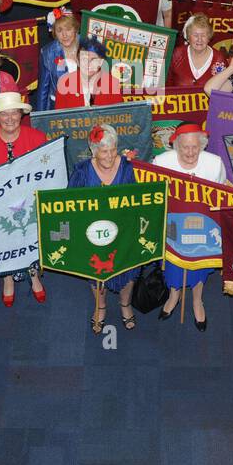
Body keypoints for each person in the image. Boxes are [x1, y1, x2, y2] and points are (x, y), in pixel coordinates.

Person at [0, 93, 49, 305]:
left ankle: (34, 275)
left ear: (21, 114)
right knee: (3, 236)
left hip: (30, 202)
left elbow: (47, 173)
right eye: (4, 114)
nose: (10, 118)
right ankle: (7, 278)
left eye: (14, 112)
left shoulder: (38, 138)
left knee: (31, 236)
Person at [70, 126, 143, 332]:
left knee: (129, 270)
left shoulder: (128, 168)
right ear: (94, 151)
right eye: (104, 151)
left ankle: (125, 305)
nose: (110, 155)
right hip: (94, 233)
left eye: (113, 150)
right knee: (95, 271)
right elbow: (70, 203)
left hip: (124, 231)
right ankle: (100, 307)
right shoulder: (82, 170)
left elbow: (139, 199)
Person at [155, 124, 227, 330]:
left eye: (195, 147)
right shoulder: (161, 162)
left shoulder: (214, 163)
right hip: (173, 223)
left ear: (202, 145)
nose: (190, 152)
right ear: (176, 145)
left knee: (199, 261)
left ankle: (197, 299)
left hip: (203, 224)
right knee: (173, 264)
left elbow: (221, 193)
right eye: (185, 147)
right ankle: (174, 295)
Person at [56, 36, 123, 108]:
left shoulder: (112, 83)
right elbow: (59, 117)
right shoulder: (66, 83)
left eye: (93, 59)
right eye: (84, 59)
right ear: (78, 61)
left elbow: (120, 115)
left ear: (101, 62)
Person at [168, 14, 228, 88]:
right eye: (195, 35)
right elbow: (166, 84)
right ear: (188, 36)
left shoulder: (219, 59)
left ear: (209, 37)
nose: (199, 39)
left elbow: (224, 90)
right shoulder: (176, 54)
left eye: (203, 35)